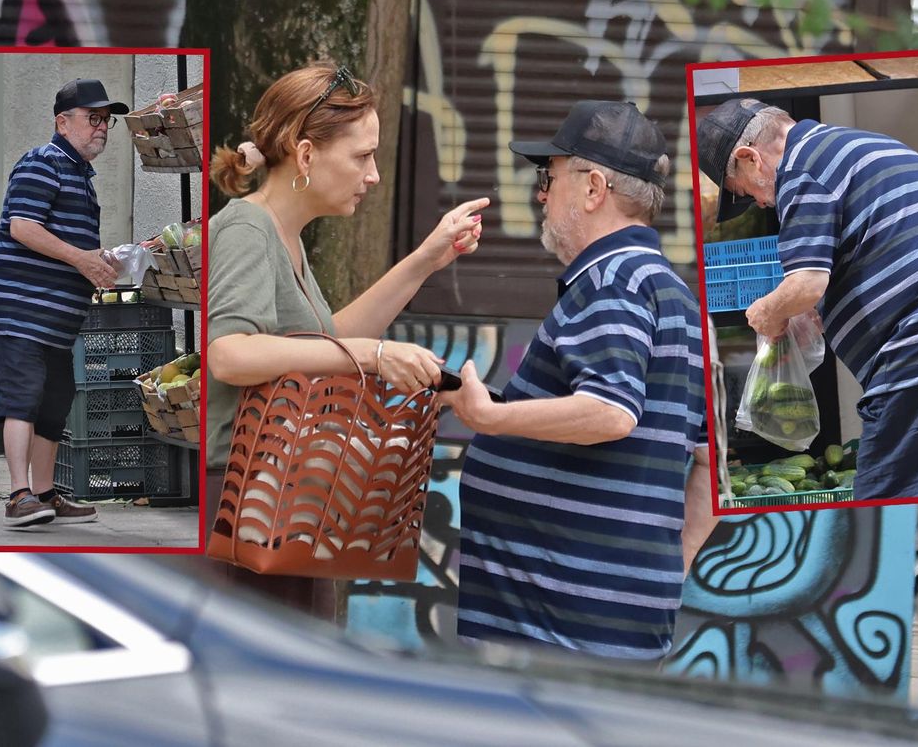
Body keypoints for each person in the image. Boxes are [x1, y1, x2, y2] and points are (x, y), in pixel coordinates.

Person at [206, 60, 488, 613]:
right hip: (244, 504)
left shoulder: (283, 234)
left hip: (279, 502)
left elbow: (327, 341)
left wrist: (428, 258)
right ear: (306, 154)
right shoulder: (246, 228)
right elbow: (229, 354)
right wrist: (373, 356)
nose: (374, 174)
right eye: (362, 156)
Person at [441, 100, 707, 660]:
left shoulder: (611, 280)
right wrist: (666, 570)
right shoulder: (675, 294)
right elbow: (710, 462)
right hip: (610, 618)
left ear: (593, 189)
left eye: (549, 177)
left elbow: (611, 409)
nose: (541, 195)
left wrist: (490, 416)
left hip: (556, 626)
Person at [697, 98, 918, 499]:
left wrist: (765, 312)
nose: (760, 203)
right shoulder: (867, 144)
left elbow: (807, 283)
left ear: (750, 157)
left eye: (745, 192)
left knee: (885, 508)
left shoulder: (802, 168)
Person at [0, 78, 124, 527]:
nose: (101, 127)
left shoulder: (81, 174)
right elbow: (23, 227)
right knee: (22, 397)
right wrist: (82, 259)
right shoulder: (43, 162)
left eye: (107, 120)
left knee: (55, 399)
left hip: (55, 317)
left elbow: (66, 243)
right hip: (19, 309)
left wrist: (103, 263)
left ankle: (44, 493)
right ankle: (18, 496)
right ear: (63, 122)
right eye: (92, 118)